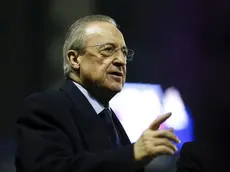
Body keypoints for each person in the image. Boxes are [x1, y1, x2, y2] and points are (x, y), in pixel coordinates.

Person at [15, 14, 180, 172]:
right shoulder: (45, 107)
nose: (121, 61)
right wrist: (131, 154)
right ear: (74, 59)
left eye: (124, 52)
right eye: (108, 50)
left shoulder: (110, 119)